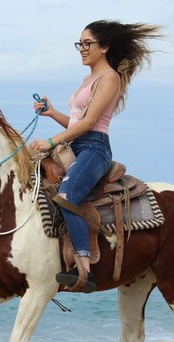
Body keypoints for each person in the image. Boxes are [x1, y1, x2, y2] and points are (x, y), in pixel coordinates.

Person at [30, 20, 163, 292]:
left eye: (87, 43)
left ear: (104, 47)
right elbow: (77, 121)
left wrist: (51, 141)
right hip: (75, 145)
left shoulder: (110, 78)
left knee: (68, 197)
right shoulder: (87, 79)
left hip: (94, 149)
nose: (82, 49)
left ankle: (84, 271)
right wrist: (53, 113)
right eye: (80, 44)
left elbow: (90, 123)